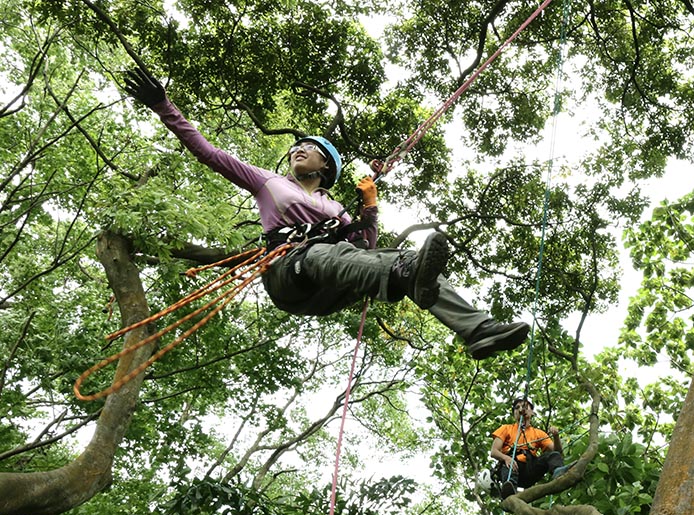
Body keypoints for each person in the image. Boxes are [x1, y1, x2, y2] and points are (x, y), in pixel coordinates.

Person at [121, 67, 530, 360]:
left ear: (325, 168)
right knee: (327, 255)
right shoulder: (267, 182)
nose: (298, 149)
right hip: (290, 275)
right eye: (296, 146)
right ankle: (407, 279)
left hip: (330, 284)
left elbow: (364, 249)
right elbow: (209, 152)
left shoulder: (335, 208)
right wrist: (163, 106)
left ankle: (476, 330)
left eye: (310, 148)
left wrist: (369, 206)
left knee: (400, 259)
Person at [489, 397, 566, 499]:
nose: (521, 409)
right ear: (514, 414)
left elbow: (557, 452)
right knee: (510, 463)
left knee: (551, 455)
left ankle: (558, 472)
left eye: (525, 407)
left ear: (532, 413)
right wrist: (506, 458)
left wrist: (556, 436)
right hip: (512, 466)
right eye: (517, 408)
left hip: (530, 469)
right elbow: (494, 451)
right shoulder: (506, 429)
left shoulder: (538, 433)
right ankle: (510, 488)